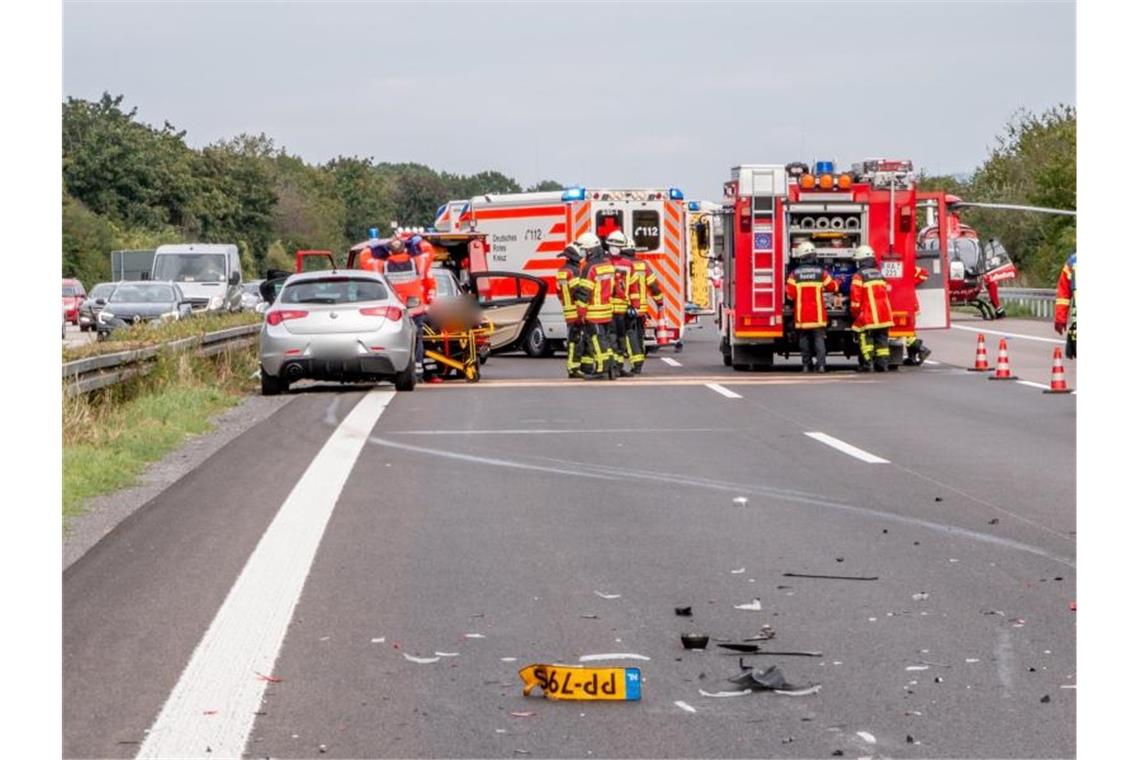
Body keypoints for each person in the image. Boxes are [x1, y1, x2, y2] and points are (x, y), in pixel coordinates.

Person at [383, 236, 436, 380]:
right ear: (405, 249)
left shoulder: (383, 265)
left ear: (389, 252)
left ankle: (396, 369)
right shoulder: (417, 261)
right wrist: (416, 240)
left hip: (395, 311)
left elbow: (366, 258)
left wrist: (375, 247)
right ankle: (420, 370)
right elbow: (429, 251)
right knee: (419, 339)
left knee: (396, 339)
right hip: (416, 310)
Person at [785, 241, 837, 372]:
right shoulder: (821, 272)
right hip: (818, 315)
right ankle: (821, 365)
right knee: (819, 340)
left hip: (802, 316)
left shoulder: (794, 274)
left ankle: (806, 365)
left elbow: (790, 295)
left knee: (804, 341)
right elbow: (833, 287)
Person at [574, 232, 617, 380]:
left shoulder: (589, 268)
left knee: (597, 341)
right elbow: (616, 288)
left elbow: (583, 292)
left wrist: (580, 313)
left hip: (594, 312)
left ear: (590, 250)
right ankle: (611, 369)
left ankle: (602, 370)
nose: (583, 253)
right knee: (606, 340)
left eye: (584, 250)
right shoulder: (608, 265)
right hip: (607, 310)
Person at [849, 244, 894, 372]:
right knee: (882, 341)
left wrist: (855, 314)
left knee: (865, 339)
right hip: (884, 314)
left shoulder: (859, 275)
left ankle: (868, 364)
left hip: (869, 315)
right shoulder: (879, 274)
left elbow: (856, 298)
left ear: (860, 261)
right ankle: (883, 365)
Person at [624, 240, 664, 374]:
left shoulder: (619, 265)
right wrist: (659, 303)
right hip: (640, 310)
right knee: (639, 337)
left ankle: (629, 364)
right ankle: (638, 364)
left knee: (625, 336)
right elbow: (654, 287)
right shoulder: (643, 265)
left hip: (624, 308)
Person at [555, 243, 588, 378]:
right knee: (577, 339)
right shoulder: (573, 272)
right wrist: (583, 306)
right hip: (575, 310)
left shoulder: (561, 271)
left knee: (572, 338)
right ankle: (574, 368)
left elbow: (558, 292)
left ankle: (573, 366)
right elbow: (577, 292)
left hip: (567, 309)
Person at [606, 230, 634, 377]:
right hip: (607, 308)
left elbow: (634, 286)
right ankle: (612, 367)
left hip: (623, 309)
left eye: (617, 245)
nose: (614, 248)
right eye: (612, 245)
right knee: (611, 339)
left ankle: (619, 366)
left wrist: (634, 305)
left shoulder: (628, 265)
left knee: (622, 339)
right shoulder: (604, 263)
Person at [903, 264, 933, 366]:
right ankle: (912, 357)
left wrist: (911, 283)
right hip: (908, 304)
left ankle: (922, 350)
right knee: (909, 333)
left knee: (907, 333)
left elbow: (924, 273)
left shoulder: (907, 268)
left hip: (907, 304)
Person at [1055, 251, 1076, 358]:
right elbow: (1063, 295)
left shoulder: (1073, 261)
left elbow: (1063, 294)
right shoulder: (1072, 262)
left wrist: (1060, 319)